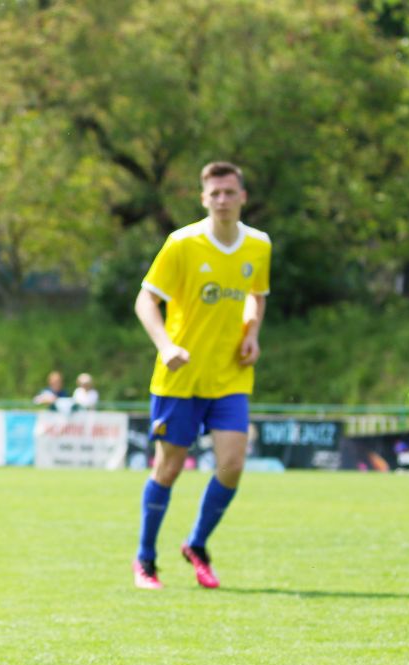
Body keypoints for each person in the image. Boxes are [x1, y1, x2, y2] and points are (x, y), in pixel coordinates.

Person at [132, 161, 270, 590]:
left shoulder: (259, 245)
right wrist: (165, 345)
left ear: (243, 197)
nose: (222, 200)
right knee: (168, 468)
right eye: (215, 194)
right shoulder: (182, 243)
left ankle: (196, 544)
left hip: (230, 376)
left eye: (230, 192)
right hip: (181, 378)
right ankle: (145, 560)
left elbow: (256, 295)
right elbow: (145, 300)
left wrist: (252, 334)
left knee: (232, 465)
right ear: (203, 198)